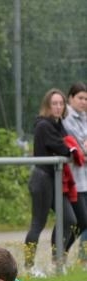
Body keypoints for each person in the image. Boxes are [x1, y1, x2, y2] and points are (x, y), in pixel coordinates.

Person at [24, 88, 79, 276]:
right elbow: (63, 148)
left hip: (55, 180)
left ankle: (57, 262)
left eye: (61, 103)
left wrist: (73, 149)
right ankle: (29, 266)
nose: (58, 107)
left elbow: (68, 145)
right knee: (38, 223)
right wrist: (72, 150)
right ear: (47, 106)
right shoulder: (44, 125)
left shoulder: (58, 124)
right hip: (42, 179)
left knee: (70, 219)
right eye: (54, 103)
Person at [62, 82, 87, 262]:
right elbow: (77, 147)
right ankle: (60, 254)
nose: (84, 102)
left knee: (83, 221)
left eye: (86, 99)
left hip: (84, 178)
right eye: (80, 98)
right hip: (73, 180)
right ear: (70, 98)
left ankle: (82, 257)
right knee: (78, 219)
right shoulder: (66, 118)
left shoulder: (84, 117)